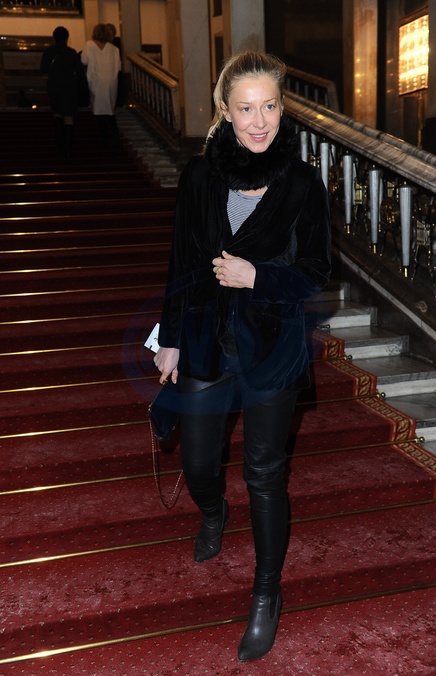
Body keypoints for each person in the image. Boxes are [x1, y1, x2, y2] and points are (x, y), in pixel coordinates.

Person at [154, 51, 331, 662]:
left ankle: (265, 594)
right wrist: (170, 336)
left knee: (265, 472)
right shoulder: (199, 177)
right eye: (247, 108)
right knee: (199, 461)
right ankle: (212, 510)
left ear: (283, 107)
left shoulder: (303, 184)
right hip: (206, 336)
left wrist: (259, 275)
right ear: (225, 112)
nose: (260, 121)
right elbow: (181, 261)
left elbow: (316, 272)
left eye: (270, 106)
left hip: (272, 347)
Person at [40, 26, 83, 157]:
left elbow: (43, 69)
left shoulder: (48, 52)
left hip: (54, 86)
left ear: (54, 38)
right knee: (68, 117)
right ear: (67, 38)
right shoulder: (72, 52)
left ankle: (59, 145)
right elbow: (79, 72)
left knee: (57, 114)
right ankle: (68, 149)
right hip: (69, 87)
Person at [81, 23, 121, 143]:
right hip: (111, 82)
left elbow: (84, 60)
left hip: (96, 81)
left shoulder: (89, 44)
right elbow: (119, 67)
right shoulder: (114, 49)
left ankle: (105, 137)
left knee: (99, 110)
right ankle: (114, 137)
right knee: (110, 110)